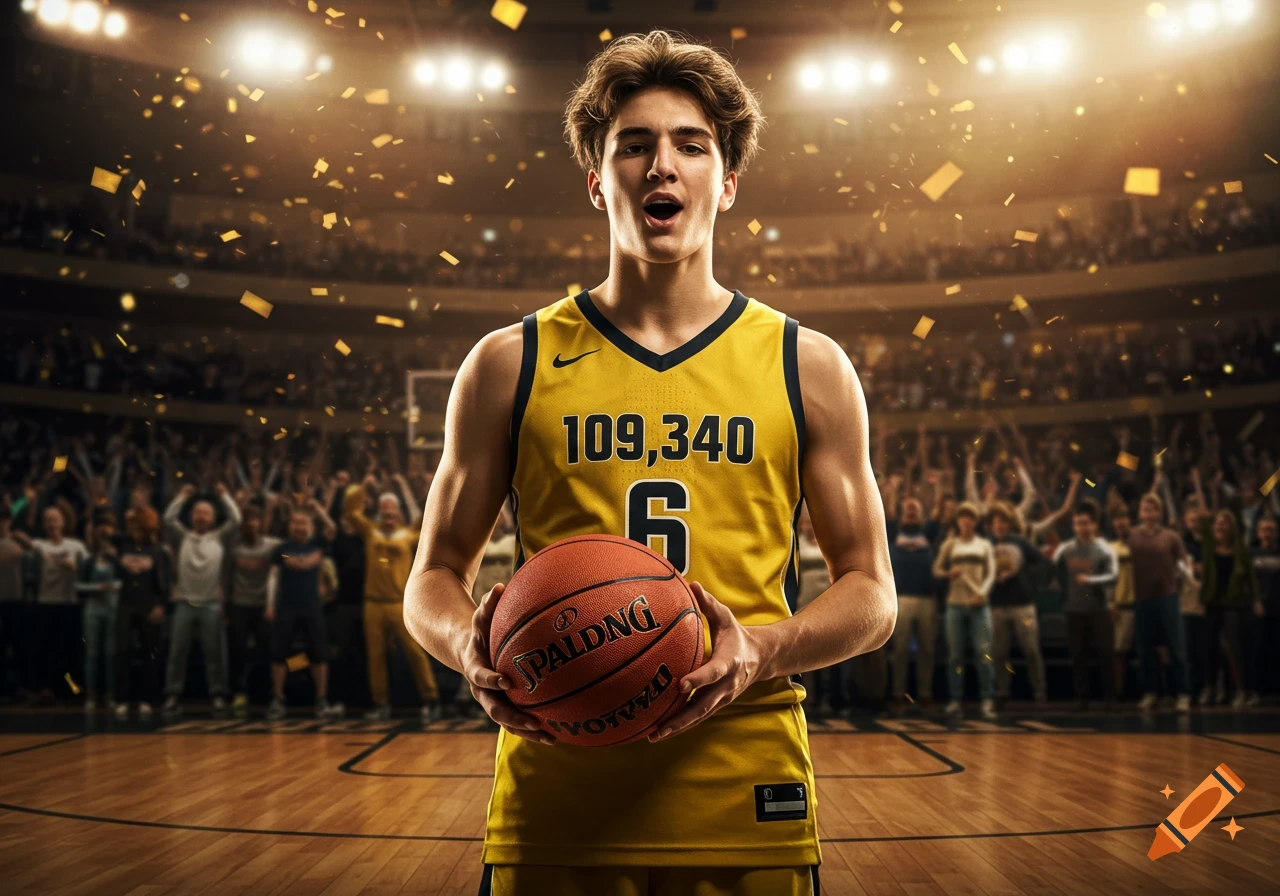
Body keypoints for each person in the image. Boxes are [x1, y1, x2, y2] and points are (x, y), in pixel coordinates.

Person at [403, 30, 895, 896]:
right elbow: (434, 574)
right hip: (555, 802)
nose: (660, 166)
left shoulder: (806, 364)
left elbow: (871, 592)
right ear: (598, 182)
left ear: (726, 182)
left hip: (747, 792)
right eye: (633, 146)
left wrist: (763, 650)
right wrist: (466, 647)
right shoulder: (506, 363)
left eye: (690, 145)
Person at [343, 476, 442, 722]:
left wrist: (409, 487)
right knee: (375, 656)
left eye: (392, 511)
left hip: (400, 603)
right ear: (378, 513)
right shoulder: (370, 531)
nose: (388, 515)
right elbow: (350, 511)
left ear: (399, 513)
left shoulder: (408, 535)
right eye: (384, 511)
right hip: (373, 603)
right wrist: (362, 487)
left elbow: (430, 516)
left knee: (414, 652)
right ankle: (380, 703)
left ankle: (431, 700)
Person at [161, 483, 240, 716]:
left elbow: (235, 519)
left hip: (211, 604)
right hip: (185, 602)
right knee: (177, 652)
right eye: (197, 512)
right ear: (192, 516)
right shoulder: (182, 535)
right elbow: (168, 519)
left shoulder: (219, 537)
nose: (201, 516)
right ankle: (172, 695)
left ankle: (218, 695)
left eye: (206, 512)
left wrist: (225, 495)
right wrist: (181, 497)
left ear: (213, 518)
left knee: (215, 653)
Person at [265, 505, 343, 721]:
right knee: (279, 653)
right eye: (295, 522)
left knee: (319, 653)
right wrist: (269, 605)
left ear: (311, 526)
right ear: (289, 526)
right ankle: (278, 699)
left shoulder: (318, 544)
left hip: (312, 606)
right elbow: (273, 578)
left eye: (304, 523)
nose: (299, 527)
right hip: (286, 606)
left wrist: (315, 508)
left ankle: (321, 700)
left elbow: (331, 527)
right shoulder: (281, 549)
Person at [1127, 492, 1192, 712]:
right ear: (1140, 512)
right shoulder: (1132, 536)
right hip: (1142, 597)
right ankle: (1150, 692)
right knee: (1146, 649)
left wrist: (1188, 580)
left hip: (1168, 596)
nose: (1149, 513)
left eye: (1153, 509)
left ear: (1159, 512)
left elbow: (1184, 562)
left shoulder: (1170, 536)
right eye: (1145, 509)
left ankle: (1182, 693)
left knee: (1176, 647)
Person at [933, 502, 997, 719]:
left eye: (970, 517)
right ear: (958, 521)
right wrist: (948, 574)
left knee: (984, 653)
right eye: (963, 517)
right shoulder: (950, 545)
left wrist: (983, 593)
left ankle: (987, 700)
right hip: (955, 604)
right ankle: (955, 699)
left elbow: (991, 573)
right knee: (955, 656)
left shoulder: (984, 545)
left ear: (975, 521)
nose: (966, 521)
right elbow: (937, 569)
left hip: (980, 605)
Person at [1055, 500, 1119, 710]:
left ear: (1094, 525)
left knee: (1106, 655)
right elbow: (1053, 571)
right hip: (1074, 610)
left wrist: (1091, 581)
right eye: (1077, 523)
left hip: (1099, 610)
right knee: (1078, 657)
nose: (1082, 527)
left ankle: (1110, 699)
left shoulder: (1104, 549)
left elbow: (1114, 575)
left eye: (1085, 523)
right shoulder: (1066, 549)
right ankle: (1082, 699)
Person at [986, 501, 1049, 708]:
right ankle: (1002, 691)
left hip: (1023, 605)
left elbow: (1042, 562)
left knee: (1031, 650)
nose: (1000, 525)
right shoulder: (987, 544)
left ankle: (1040, 692)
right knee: (999, 652)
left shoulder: (1020, 543)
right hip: (997, 606)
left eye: (1004, 521)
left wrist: (1031, 583)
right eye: (997, 522)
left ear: (1009, 524)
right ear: (992, 525)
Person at [1198, 509, 1259, 709]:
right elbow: (1203, 518)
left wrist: (1257, 600)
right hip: (1212, 603)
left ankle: (1242, 690)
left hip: (1234, 604)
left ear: (1231, 527)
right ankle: (1210, 688)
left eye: (1224, 523)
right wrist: (1198, 482)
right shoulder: (1209, 546)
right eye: (1218, 523)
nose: (1220, 526)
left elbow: (1251, 575)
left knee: (1234, 648)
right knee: (1208, 647)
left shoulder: (1240, 548)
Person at [111, 507, 169, 719]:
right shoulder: (122, 546)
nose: (134, 529)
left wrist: (161, 605)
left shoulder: (157, 551)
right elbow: (105, 533)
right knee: (122, 652)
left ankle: (148, 699)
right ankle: (122, 699)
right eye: (132, 526)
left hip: (149, 605)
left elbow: (165, 581)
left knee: (150, 653)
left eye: (139, 526)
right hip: (125, 605)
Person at [29, 506, 90, 704]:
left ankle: (72, 690)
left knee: (70, 649)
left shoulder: (75, 546)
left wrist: (75, 569)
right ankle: (47, 689)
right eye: (47, 520)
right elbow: (23, 542)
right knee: (46, 649)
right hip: (45, 602)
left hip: (69, 603)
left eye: (55, 519)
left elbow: (89, 568)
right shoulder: (39, 545)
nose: (52, 524)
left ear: (64, 522)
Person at [886, 495, 940, 711]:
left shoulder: (929, 533)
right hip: (901, 599)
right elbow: (887, 510)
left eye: (914, 509)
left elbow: (936, 512)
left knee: (927, 649)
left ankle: (925, 694)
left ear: (921, 515)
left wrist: (936, 487)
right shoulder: (892, 533)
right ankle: (899, 695)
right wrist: (893, 489)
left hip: (927, 599)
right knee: (900, 650)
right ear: (901, 515)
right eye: (907, 509)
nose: (911, 512)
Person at [228, 504, 281, 715]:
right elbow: (227, 577)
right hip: (240, 604)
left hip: (263, 607)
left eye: (255, 520)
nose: (252, 524)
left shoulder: (272, 546)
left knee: (266, 650)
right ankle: (238, 692)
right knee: (238, 650)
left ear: (261, 523)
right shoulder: (235, 547)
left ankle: (265, 693)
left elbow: (288, 554)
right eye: (248, 520)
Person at [76, 513, 122, 712]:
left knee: (111, 653)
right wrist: (97, 588)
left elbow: (125, 580)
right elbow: (78, 585)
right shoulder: (88, 558)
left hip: (112, 607)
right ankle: (92, 696)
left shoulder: (117, 556)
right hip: (93, 608)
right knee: (92, 652)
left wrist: (113, 585)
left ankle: (110, 695)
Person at [0, 502, 33, 704]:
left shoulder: (18, 540)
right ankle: (4, 690)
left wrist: (24, 541)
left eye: (4, 521)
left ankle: (21, 688)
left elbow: (36, 553)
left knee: (20, 646)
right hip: (1, 600)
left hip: (17, 599)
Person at [1251, 517, 1279, 701]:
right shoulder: (1251, 553)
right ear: (1258, 532)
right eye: (1264, 529)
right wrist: (1255, 601)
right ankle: (1258, 691)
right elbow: (1248, 581)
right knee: (1258, 648)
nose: (1267, 532)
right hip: (1258, 607)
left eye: (1271, 529)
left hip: (1278, 607)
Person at [1110, 506, 1137, 700]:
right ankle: (1118, 693)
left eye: (1124, 517)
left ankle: (1158, 693)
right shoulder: (1110, 548)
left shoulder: (1142, 544)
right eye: (1116, 518)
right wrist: (1111, 603)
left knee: (1153, 651)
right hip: (1121, 605)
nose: (1121, 522)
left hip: (1145, 603)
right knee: (1119, 652)